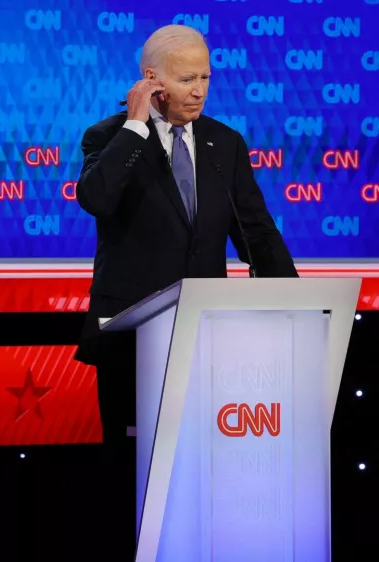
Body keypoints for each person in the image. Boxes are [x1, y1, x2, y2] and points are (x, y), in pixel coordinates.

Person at [72, 24, 297, 557]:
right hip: (132, 342)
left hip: (207, 341)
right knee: (129, 478)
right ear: (151, 80)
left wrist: (291, 304)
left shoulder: (224, 142)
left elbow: (256, 233)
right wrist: (135, 126)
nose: (199, 89)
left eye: (206, 77)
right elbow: (95, 200)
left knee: (201, 472)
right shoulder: (108, 138)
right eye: (186, 77)